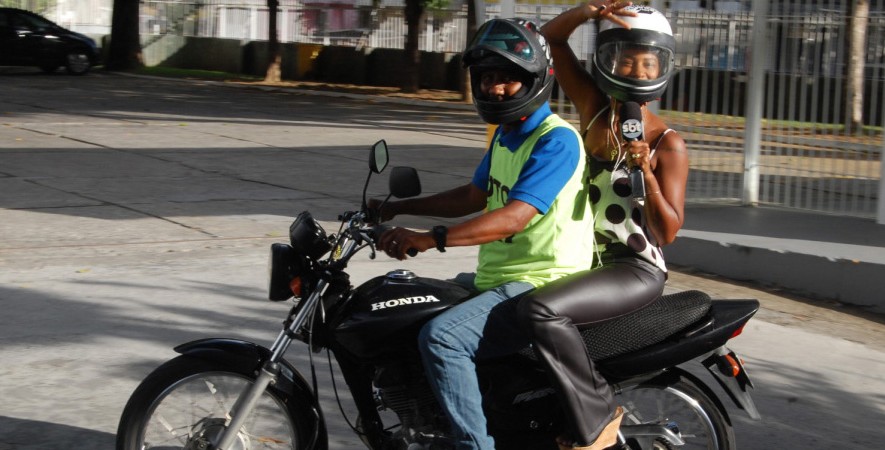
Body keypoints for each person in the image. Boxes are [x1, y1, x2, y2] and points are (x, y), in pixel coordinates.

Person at [372, 18, 594, 450]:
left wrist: (429, 238)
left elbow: (513, 217)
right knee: (407, 302)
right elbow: (475, 195)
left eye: (507, 79)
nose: (494, 89)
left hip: (544, 282)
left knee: (442, 338)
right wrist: (397, 207)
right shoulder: (507, 137)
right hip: (502, 277)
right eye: (487, 78)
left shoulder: (557, 141)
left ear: (533, 81)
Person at [518, 3, 689, 450]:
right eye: (625, 57)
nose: (634, 68)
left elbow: (668, 231)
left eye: (646, 60)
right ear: (607, 58)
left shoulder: (668, 143)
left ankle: (597, 425)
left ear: (662, 66)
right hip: (577, 259)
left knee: (542, 311)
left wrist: (646, 173)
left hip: (632, 268)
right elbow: (551, 38)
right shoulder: (593, 108)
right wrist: (587, 11)